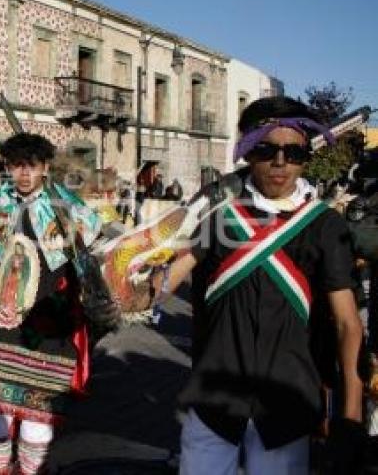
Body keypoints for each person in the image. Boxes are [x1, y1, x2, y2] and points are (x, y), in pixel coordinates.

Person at [152, 97, 363, 474]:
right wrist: (126, 285)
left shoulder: (324, 226)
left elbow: (348, 323)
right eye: (266, 149)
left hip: (287, 402)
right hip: (214, 398)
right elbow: (167, 281)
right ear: (248, 153)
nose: (280, 162)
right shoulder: (219, 217)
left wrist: (350, 414)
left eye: (294, 151)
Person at [0, 132, 102, 475]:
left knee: (39, 420)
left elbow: (88, 240)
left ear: (45, 168)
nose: (23, 174)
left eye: (31, 166)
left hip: (49, 316)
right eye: (16, 166)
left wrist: (72, 231)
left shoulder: (63, 202)